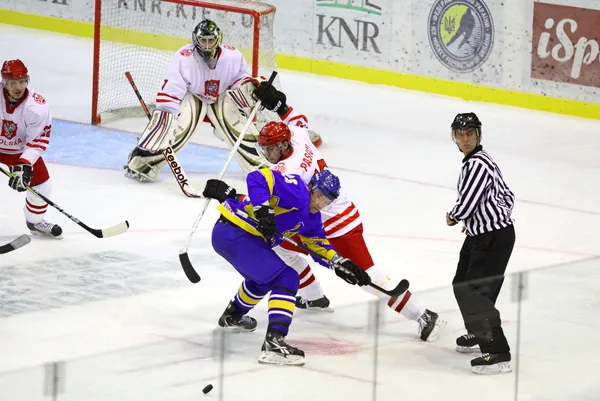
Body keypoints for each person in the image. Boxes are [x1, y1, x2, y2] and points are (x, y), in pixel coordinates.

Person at [250, 81, 447, 342]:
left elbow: (277, 198)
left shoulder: (288, 171)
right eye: (265, 148)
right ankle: (313, 296)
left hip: (333, 225)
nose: (267, 153)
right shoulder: (297, 137)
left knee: (366, 276)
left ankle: (423, 315)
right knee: (280, 245)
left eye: (271, 148)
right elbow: (297, 119)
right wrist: (279, 105)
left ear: (284, 146)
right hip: (337, 213)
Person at [202, 168, 370, 366]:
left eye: (327, 201)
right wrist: (264, 209)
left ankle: (232, 316)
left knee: (264, 279)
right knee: (287, 277)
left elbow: (317, 244)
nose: (320, 204)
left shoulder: (313, 219)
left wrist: (340, 263)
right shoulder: (298, 190)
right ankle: (274, 343)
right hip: (235, 230)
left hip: (239, 237)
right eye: (320, 197)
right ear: (312, 187)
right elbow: (257, 177)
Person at [124, 19, 321, 182]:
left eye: (211, 40)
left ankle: (260, 168)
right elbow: (172, 89)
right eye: (203, 40)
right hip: (194, 96)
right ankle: (141, 161)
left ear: (217, 40)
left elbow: (240, 80)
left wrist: (253, 87)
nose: (207, 45)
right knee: (176, 128)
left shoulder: (232, 56)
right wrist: (166, 117)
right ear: (195, 40)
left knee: (239, 126)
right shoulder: (184, 58)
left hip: (221, 96)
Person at [446, 112, 515, 375]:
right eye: (460, 134)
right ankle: (478, 332)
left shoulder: (477, 164)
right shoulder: (481, 160)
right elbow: (507, 197)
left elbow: (465, 205)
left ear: (478, 135)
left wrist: (455, 217)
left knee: (474, 292)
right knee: (462, 285)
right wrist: (479, 221)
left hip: (492, 239)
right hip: (482, 235)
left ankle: (497, 352)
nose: (465, 139)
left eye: (469, 133)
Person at [0, 59, 62, 238]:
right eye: (13, 83)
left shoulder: (37, 106)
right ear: (4, 82)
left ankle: (35, 222)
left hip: (19, 151)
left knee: (42, 185)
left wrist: (24, 164)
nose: (18, 87)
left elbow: (37, 141)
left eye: (22, 81)